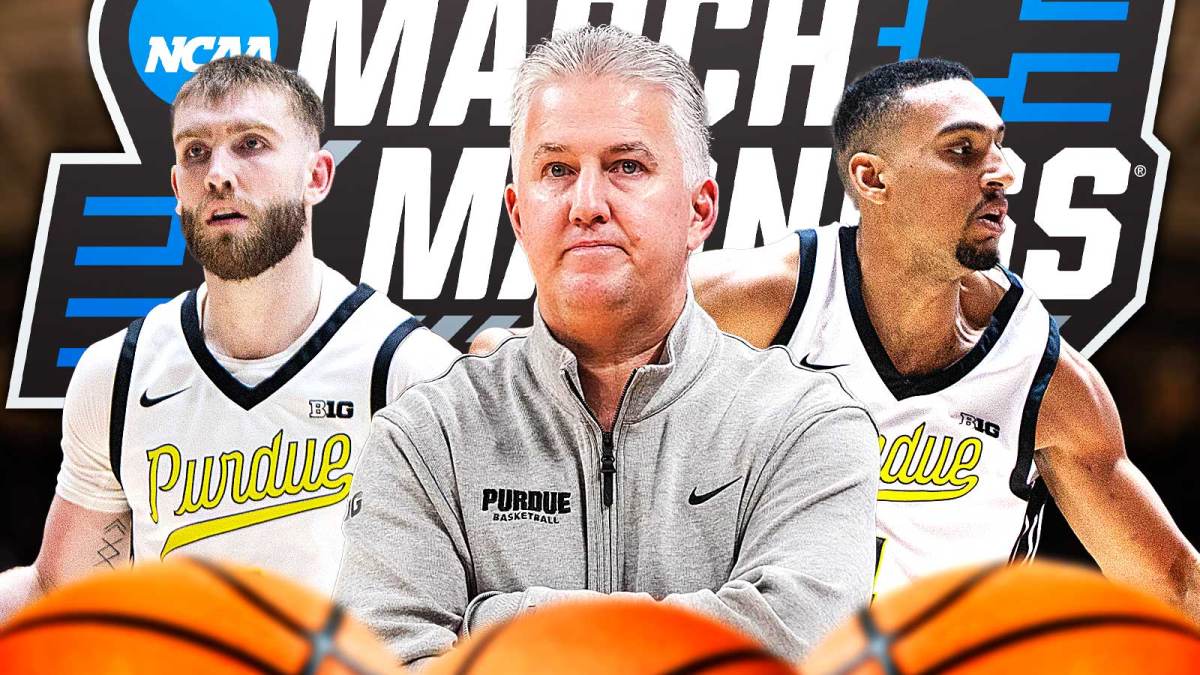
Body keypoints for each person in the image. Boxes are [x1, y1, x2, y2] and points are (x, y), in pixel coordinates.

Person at [335, 25, 879, 665]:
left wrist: (499, 621)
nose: (587, 202)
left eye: (627, 166)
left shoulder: (805, 425)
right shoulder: (427, 438)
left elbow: (796, 649)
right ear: (518, 213)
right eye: (557, 169)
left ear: (701, 210)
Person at [683, 59, 1200, 613]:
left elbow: (1173, 583)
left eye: (998, 146)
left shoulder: (1038, 373)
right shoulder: (756, 304)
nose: (1002, 171)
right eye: (962, 151)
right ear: (872, 179)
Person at [0, 56, 458, 619]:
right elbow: (57, 594)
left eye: (251, 144)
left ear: (316, 176)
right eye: (196, 152)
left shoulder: (413, 373)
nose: (219, 173)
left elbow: (474, 605)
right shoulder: (116, 375)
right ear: (177, 188)